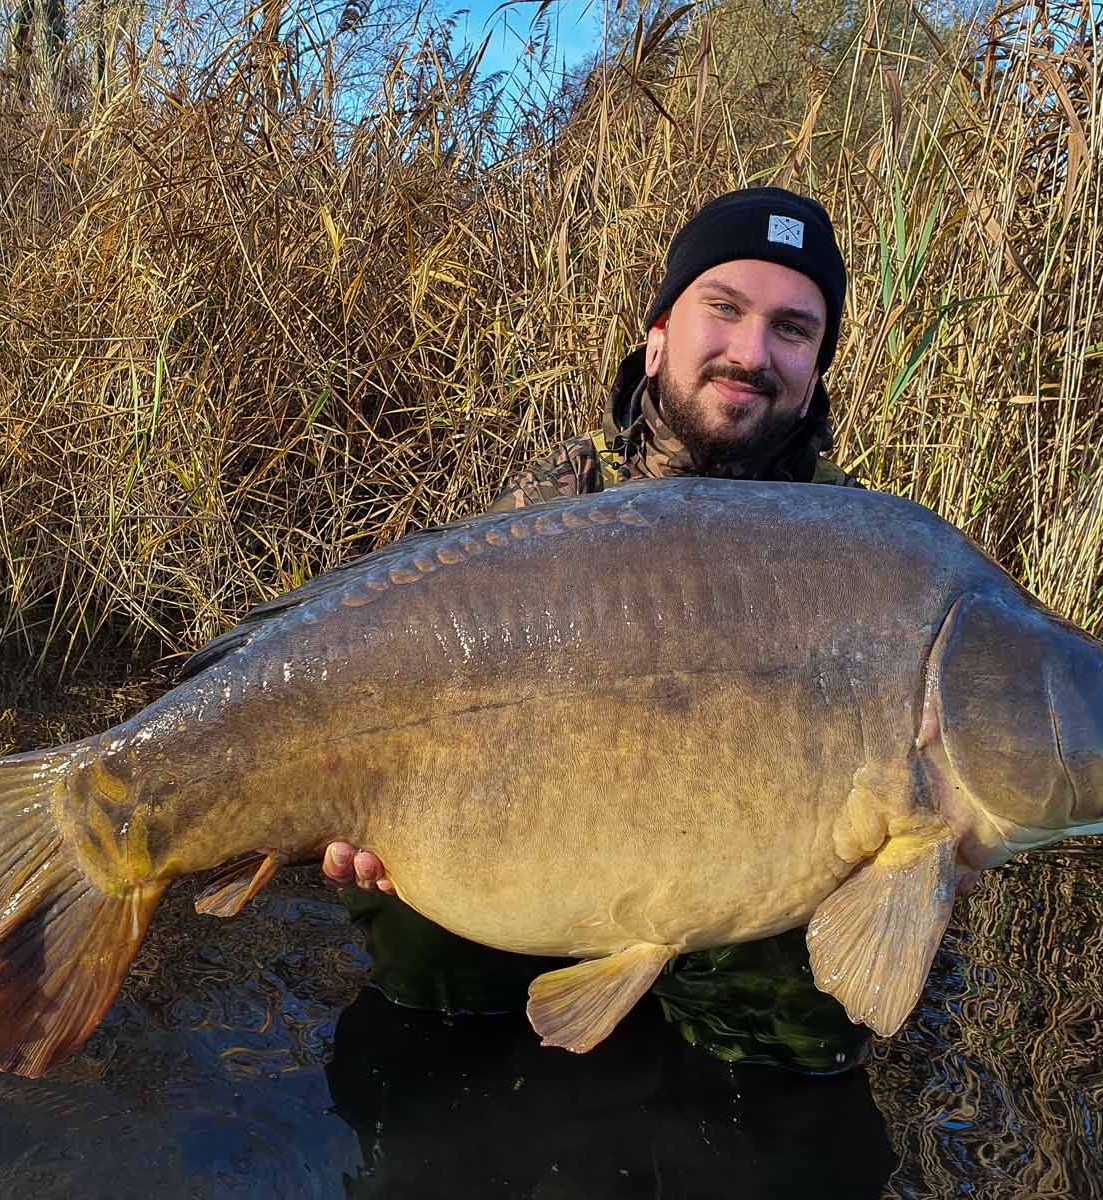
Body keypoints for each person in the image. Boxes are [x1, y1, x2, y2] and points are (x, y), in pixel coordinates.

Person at [323, 187, 871, 1072]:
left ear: (815, 371)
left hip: (753, 897)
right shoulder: (560, 505)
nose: (751, 352)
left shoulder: (861, 548)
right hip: (536, 863)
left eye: (793, 330)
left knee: (809, 1046)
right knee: (412, 927)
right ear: (658, 335)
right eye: (723, 310)